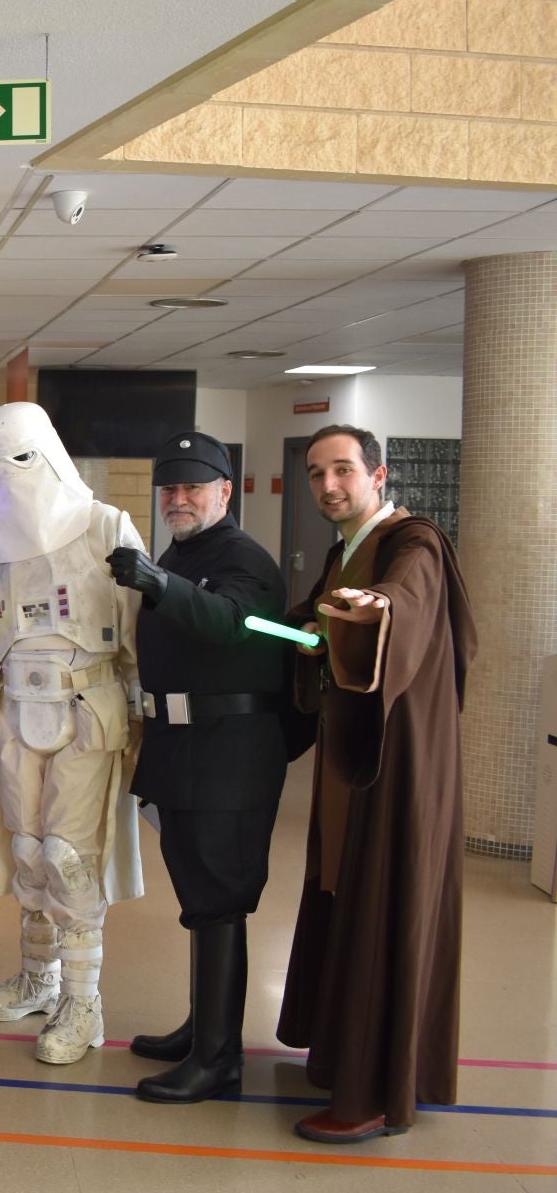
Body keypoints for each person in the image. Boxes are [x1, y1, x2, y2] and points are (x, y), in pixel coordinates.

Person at [0, 402, 144, 1065]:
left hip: (86, 719)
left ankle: (83, 1002)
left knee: (71, 855)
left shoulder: (105, 527)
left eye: (21, 456)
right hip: (13, 714)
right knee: (30, 850)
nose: (7, 474)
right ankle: (41, 980)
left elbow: (139, 633)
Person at [276, 424, 474, 1145]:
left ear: (378, 475)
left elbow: (405, 598)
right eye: (316, 474)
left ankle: (371, 1092)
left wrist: (379, 608)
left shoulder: (411, 542)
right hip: (352, 755)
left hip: (396, 763)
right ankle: (343, 1055)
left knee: (380, 901)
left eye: (342, 471)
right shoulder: (345, 549)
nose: (328, 486)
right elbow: (318, 627)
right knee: (342, 893)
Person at [106, 431, 294, 1104]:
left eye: (192, 487)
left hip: (229, 757)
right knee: (199, 900)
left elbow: (231, 623)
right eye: (170, 488)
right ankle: (202, 1028)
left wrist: (159, 582)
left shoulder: (245, 558)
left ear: (225, 490)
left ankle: (219, 1059)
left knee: (220, 903)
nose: (177, 499)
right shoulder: (185, 550)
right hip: (184, 751)